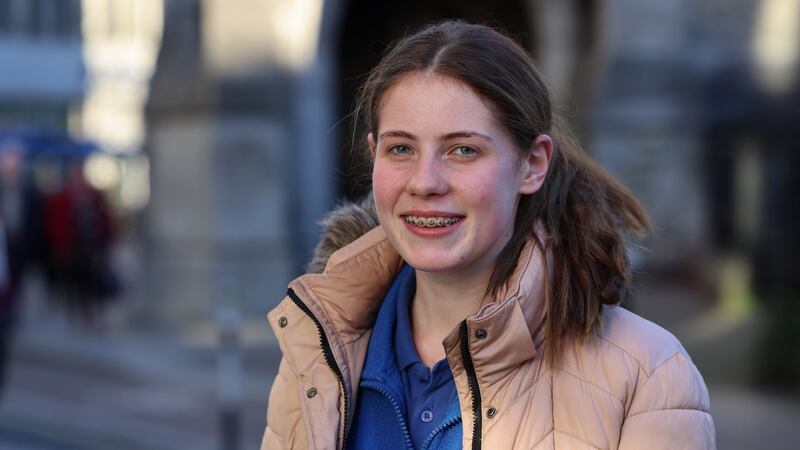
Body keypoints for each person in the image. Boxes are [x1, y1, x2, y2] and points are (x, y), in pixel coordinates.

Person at [261, 21, 715, 450]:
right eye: (400, 148)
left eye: (463, 150)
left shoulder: (646, 373)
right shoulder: (317, 358)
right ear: (373, 154)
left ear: (533, 164)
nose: (425, 182)